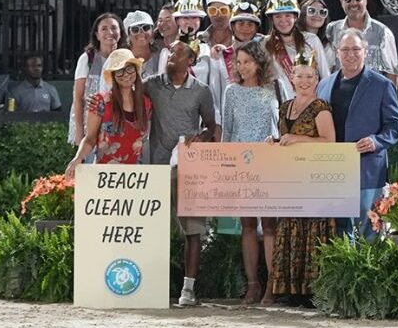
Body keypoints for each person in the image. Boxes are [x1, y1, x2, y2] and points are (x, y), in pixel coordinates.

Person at [142, 40, 218, 306]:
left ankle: (188, 289)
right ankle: (151, 286)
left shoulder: (201, 90)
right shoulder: (152, 84)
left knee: (193, 230)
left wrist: (202, 136)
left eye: (178, 52)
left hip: (189, 169)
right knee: (153, 227)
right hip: (157, 168)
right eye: (170, 51)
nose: (171, 55)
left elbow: (211, 126)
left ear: (191, 60)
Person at [320, 31, 398, 238]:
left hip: (367, 168)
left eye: (356, 49)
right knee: (337, 232)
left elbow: (396, 125)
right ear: (337, 52)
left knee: (369, 232)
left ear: (365, 52)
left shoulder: (382, 85)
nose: (351, 54)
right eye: (345, 50)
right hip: (331, 170)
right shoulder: (323, 85)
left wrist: (376, 141)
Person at [265, 56, 335, 305]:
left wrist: (298, 139)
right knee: (290, 226)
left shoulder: (321, 107)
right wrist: (275, 142)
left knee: (313, 229)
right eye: (300, 76)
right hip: (291, 180)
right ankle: (291, 289)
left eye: (310, 76)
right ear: (291, 78)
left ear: (317, 80)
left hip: (315, 181)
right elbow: (286, 138)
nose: (305, 81)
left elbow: (329, 141)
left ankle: (312, 291)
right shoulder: (285, 107)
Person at [221, 40, 280, 305]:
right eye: (239, 62)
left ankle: (272, 287)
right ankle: (253, 285)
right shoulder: (231, 91)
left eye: (248, 61)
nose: (242, 67)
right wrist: (225, 165)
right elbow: (227, 131)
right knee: (247, 225)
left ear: (259, 62)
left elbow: (281, 125)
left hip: (268, 162)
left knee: (269, 226)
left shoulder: (274, 88)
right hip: (240, 165)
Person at [66, 48, 150, 174]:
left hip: (135, 175)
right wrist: (77, 158)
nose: (126, 74)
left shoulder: (146, 103)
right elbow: (90, 139)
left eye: (129, 68)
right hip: (104, 175)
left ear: (136, 71)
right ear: (113, 76)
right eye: (119, 71)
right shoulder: (100, 102)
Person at [325, 0, 398, 84]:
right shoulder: (332, 29)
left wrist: (390, 94)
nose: (353, 3)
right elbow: (326, 67)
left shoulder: (383, 32)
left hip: (371, 91)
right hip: (340, 91)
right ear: (341, 2)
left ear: (366, 0)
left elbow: (392, 73)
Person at [265, 0, 331, 101]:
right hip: (279, 106)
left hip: (309, 104)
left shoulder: (311, 40)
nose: (283, 20)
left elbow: (326, 77)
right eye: (278, 16)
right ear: (272, 19)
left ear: (295, 17)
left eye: (288, 15)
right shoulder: (264, 44)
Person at [72, 12, 122, 146]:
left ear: (120, 32)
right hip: (90, 126)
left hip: (117, 125)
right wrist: (79, 131)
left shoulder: (126, 58)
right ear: (97, 35)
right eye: (104, 29)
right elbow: (78, 97)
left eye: (114, 28)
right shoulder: (87, 58)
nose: (109, 32)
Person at [122, 10, 157, 74]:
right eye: (135, 29)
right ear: (128, 34)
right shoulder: (120, 59)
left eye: (146, 27)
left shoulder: (162, 55)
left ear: (152, 31)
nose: (141, 32)